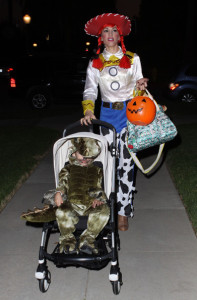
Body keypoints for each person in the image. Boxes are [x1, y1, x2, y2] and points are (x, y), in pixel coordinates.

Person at [80, 13, 148, 231]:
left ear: (120, 35)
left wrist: (141, 86)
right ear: (101, 36)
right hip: (105, 118)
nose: (110, 34)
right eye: (106, 31)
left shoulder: (133, 58)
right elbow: (90, 91)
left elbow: (138, 92)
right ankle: (104, 208)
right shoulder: (95, 63)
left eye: (114, 30)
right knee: (104, 166)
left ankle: (123, 212)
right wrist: (89, 111)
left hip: (129, 116)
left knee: (126, 167)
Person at [21, 137, 110, 255]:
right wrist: (59, 193)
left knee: (104, 211)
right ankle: (68, 240)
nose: (85, 159)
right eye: (82, 155)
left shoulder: (97, 169)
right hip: (71, 204)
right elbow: (63, 183)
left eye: (89, 157)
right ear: (74, 152)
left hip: (90, 205)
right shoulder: (68, 168)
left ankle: (88, 240)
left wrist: (98, 199)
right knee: (62, 211)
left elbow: (98, 187)